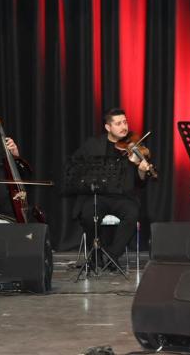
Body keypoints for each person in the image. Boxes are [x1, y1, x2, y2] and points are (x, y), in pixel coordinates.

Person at [70, 108, 153, 265]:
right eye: (118, 123)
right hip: (98, 196)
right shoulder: (93, 144)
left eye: (125, 122)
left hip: (123, 197)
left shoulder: (134, 146)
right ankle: (95, 255)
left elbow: (140, 183)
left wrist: (142, 171)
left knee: (132, 214)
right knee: (88, 215)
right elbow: (75, 165)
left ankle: (112, 256)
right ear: (108, 127)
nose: (124, 127)